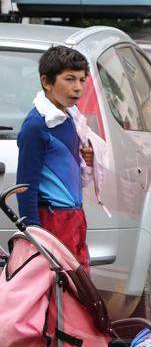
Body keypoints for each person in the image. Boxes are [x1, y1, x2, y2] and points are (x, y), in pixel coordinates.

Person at [16, 46, 95, 272]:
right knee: (56, 289)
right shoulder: (37, 126)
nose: (78, 87)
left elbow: (69, 172)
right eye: (69, 79)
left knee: (78, 286)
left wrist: (86, 160)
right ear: (47, 82)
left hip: (74, 218)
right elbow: (25, 186)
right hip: (52, 222)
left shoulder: (70, 117)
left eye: (82, 80)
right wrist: (34, 234)